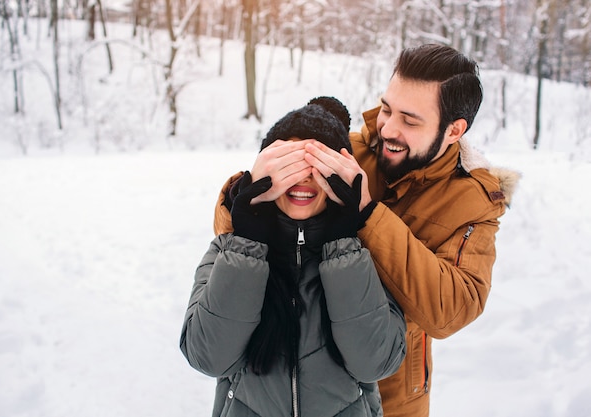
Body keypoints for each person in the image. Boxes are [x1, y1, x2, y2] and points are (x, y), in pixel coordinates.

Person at [212, 44, 520, 417]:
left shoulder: (473, 202)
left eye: (410, 120)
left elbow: (451, 310)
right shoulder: (350, 153)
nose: (387, 128)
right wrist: (242, 199)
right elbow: (237, 233)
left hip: (395, 397)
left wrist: (367, 215)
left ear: (454, 129)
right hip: (301, 383)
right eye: (386, 109)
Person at [180, 97, 407, 417]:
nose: (302, 179)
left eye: (318, 166)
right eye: (288, 164)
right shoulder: (228, 251)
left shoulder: (366, 253)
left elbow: (375, 362)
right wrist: (248, 244)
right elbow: (208, 356)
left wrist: (342, 247)